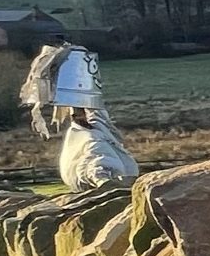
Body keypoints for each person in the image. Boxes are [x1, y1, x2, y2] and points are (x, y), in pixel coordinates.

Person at [18, 42, 141, 187]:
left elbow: (95, 112)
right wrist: (103, 181)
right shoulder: (91, 138)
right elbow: (97, 162)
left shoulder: (95, 132)